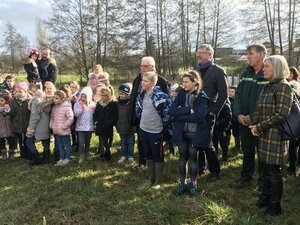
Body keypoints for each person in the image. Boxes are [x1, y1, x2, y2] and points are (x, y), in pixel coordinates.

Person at [249, 55, 293, 216]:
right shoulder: (268, 86)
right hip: (263, 134)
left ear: (278, 68)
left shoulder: (283, 86)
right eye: (264, 66)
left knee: (274, 173)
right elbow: (259, 109)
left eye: (267, 66)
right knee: (265, 170)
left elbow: (281, 114)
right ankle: (265, 198)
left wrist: (259, 126)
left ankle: (275, 206)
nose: (264, 69)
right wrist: (254, 123)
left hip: (276, 137)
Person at [232, 44, 268, 188]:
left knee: (263, 154)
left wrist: (253, 117)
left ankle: (263, 183)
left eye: (250, 53)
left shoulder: (268, 73)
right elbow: (238, 95)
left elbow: (267, 102)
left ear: (261, 55)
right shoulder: (246, 73)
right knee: (247, 151)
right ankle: (246, 178)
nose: (247, 56)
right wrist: (239, 114)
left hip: (262, 122)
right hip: (244, 121)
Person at [170, 70, 210, 197]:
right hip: (181, 132)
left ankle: (193, 184)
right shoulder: (181, 93)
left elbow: (199, 116)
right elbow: (172, 111)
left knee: (193, 158)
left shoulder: (202, 96)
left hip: (195, 134)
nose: (183, 84)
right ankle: (182, 183)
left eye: (186, 82)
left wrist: (180, 116)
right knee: (182, 159)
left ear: (195, 82)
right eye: (183, 82)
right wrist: (188, 110)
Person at [129, 56, 170, 168]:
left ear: (152, 66)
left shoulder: (161, 81)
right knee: (142, 142)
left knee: (155, 146)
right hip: (141, 117)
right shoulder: (138, 79)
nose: (142, 68)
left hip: (155, 121)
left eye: (145, 66)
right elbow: (133, 98)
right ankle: (143, 163)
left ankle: (157, 169)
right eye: (141, 65)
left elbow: (167, 102)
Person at [196, 44, 228, 181]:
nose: (198, 55)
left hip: (208, 112)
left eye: (201, 53)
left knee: (207, 143)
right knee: (196, 142)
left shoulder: (218, 71)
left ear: (210, 55)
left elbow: (224, 94)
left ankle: (215, 171)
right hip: (195, 112)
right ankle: (200, 168)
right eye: (197, 53)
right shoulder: (196, 70)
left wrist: (213, 111)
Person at [136, 71, 172, 189]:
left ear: (152, 83)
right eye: (142, 80)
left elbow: (167, 114)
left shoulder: (161, 96)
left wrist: (165, 129)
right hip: (143, 129)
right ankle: (150, 176)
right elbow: (139, 110)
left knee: (157, 154)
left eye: (145, 81)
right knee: (148, 153)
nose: (142, 82)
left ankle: (158, 180)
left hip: (156, 131)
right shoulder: (142, 94)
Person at [26, 85, 51, 165]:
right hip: (45, 125)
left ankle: (37, 157)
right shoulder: (46, 100)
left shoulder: (35, 101)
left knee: (29, 141)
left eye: (34, 91)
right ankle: (46, 159)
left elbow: (35, 116)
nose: (33, 93)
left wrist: (31, 128)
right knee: (45, 142)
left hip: (38, 126)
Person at [93, 86, 118, 161]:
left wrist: (110, 122)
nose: (102, 97)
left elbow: (115, 115)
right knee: (101, 140)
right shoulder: (99, 103)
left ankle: (108, 154)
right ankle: (102, 153)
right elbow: (95, 114)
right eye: (101, 95)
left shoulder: (112, 104)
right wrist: (96, 121)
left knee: (107, 141)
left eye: (104, 95)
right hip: (100, 125)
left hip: (108, 126)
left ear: (108, 95)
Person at [7, 82, 31, 161]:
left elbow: (32, 114)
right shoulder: (14, 101)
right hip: (18, 126)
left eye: (20, 91)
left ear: (25, 92)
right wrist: (8, 110)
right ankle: (23, 156)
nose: (18, 93)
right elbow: (12, 114)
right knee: (21, 142)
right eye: (16, 91)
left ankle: (29, 156)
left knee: (28, 142)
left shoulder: (29, 101)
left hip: (27, 126)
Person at [50, 90, 74, 166]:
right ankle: (61, 158)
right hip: (56, 130)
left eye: (56, 98)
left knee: (67, 145)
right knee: (60, 145)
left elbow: (71, 118)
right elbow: (52, 117)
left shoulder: (67, 107)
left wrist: (64, 126)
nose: (54, 100)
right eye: (54, 98)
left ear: (62, 99)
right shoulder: (54, 107)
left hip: (64, 130)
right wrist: (51, 125)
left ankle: (67, 158)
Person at [73, 87, 96, 164]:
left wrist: (94, 125)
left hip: (89, 127)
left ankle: (87, 153)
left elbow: (94, 115)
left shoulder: (93, 104)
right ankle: (81, 155)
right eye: (82, 96)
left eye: (85, 97)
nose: (83, 98)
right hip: (80, 127)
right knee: (81, 142)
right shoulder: (77, 104)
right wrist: (82, 107)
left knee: (87, 141)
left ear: (89, 96)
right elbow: (76, 114)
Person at [116, 83, 135, 164]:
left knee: (130, 142)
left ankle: (130, 155)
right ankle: (123, 155)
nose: (122, 95)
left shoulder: (131, 104)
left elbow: (134, 115)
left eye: (123, 94)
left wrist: (133, 125)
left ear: (128, 94)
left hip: (130, 127)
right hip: (121, 127)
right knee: (123, 142)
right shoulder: (117, 103)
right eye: (120, 93)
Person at [286, 67, 300, 176]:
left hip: (294, 121)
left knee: (293, 146)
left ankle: (292, 168)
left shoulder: (293, 85)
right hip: (290, 120)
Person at [0, 93, 16, 160]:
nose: (0, 102)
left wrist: (8, 110)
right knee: (1, 142)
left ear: (6, 101)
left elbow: (14, 115)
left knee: (12, 141)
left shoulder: (9, 108)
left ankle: (11, 153)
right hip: (1, 130)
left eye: (1, 100)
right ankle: (3, 153)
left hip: (10, 129)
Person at [225, 87, 240, 153]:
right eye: (229, 92)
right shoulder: (226, 101)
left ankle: (237, 148)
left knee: (236, 134)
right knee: (227, 134)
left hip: (235, 122)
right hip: (228, 121)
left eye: (232, 92)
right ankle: (226, 147)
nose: (230, 93)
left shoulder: (237, 101)